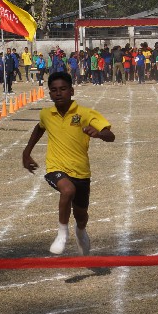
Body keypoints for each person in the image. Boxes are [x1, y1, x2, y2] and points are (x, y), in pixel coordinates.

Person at [22, 71, 115, 255]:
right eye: (54, 90)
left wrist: (99, 134)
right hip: (55, 168)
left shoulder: (86, 114)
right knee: (67, 190)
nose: (58, 93)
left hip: (81, 172)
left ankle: (80, 232)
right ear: (49, 94)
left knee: (81, 216)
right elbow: (39, 128)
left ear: (71, 91)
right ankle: (62, 234)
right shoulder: (46, 114)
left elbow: (110, 135)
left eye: (63, 89)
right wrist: (26, 153)